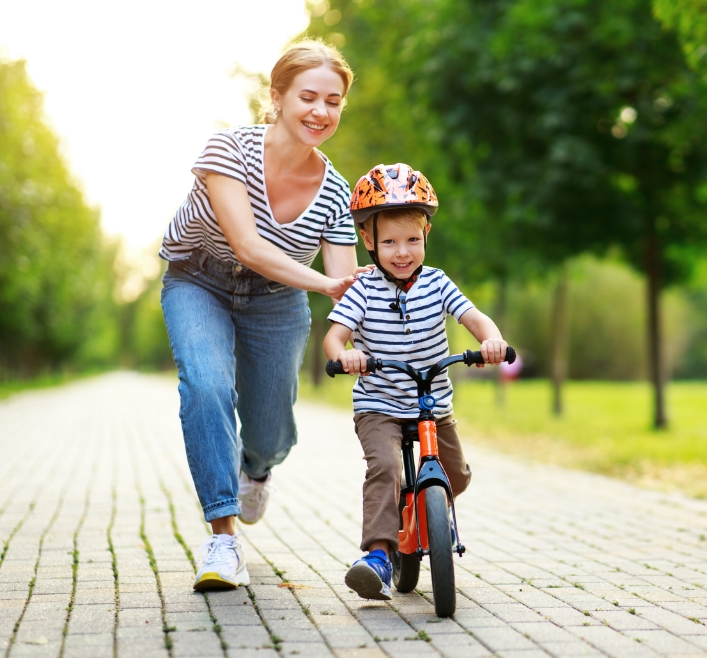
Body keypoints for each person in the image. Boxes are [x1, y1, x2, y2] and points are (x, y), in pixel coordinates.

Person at [160, 39, 369, 591]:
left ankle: (259, 469)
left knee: (271, 425)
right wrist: (326, 282)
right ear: (276, 97)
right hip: (197, 279)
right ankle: (222, 539)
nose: (321, 112)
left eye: (333, 101)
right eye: (308, 97)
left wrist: (359, 335)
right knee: (205, 387)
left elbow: (348, 290)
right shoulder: (227, 151)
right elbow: (249, 246)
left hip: (277, 301)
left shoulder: (336, 192)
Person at [323, 163, 509, 600]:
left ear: (426, 233)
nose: (401, 252)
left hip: (432, 404)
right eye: (389, 241)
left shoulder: (438, 283)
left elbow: (474, 317)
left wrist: (492, 341)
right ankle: (379, 556)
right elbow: (334, 337)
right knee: (385, 468)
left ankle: (426, 513)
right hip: (380, 405)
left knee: (457, 476)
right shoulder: (363, 290)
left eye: (411, 239)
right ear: (368, 241)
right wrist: (346, 356)